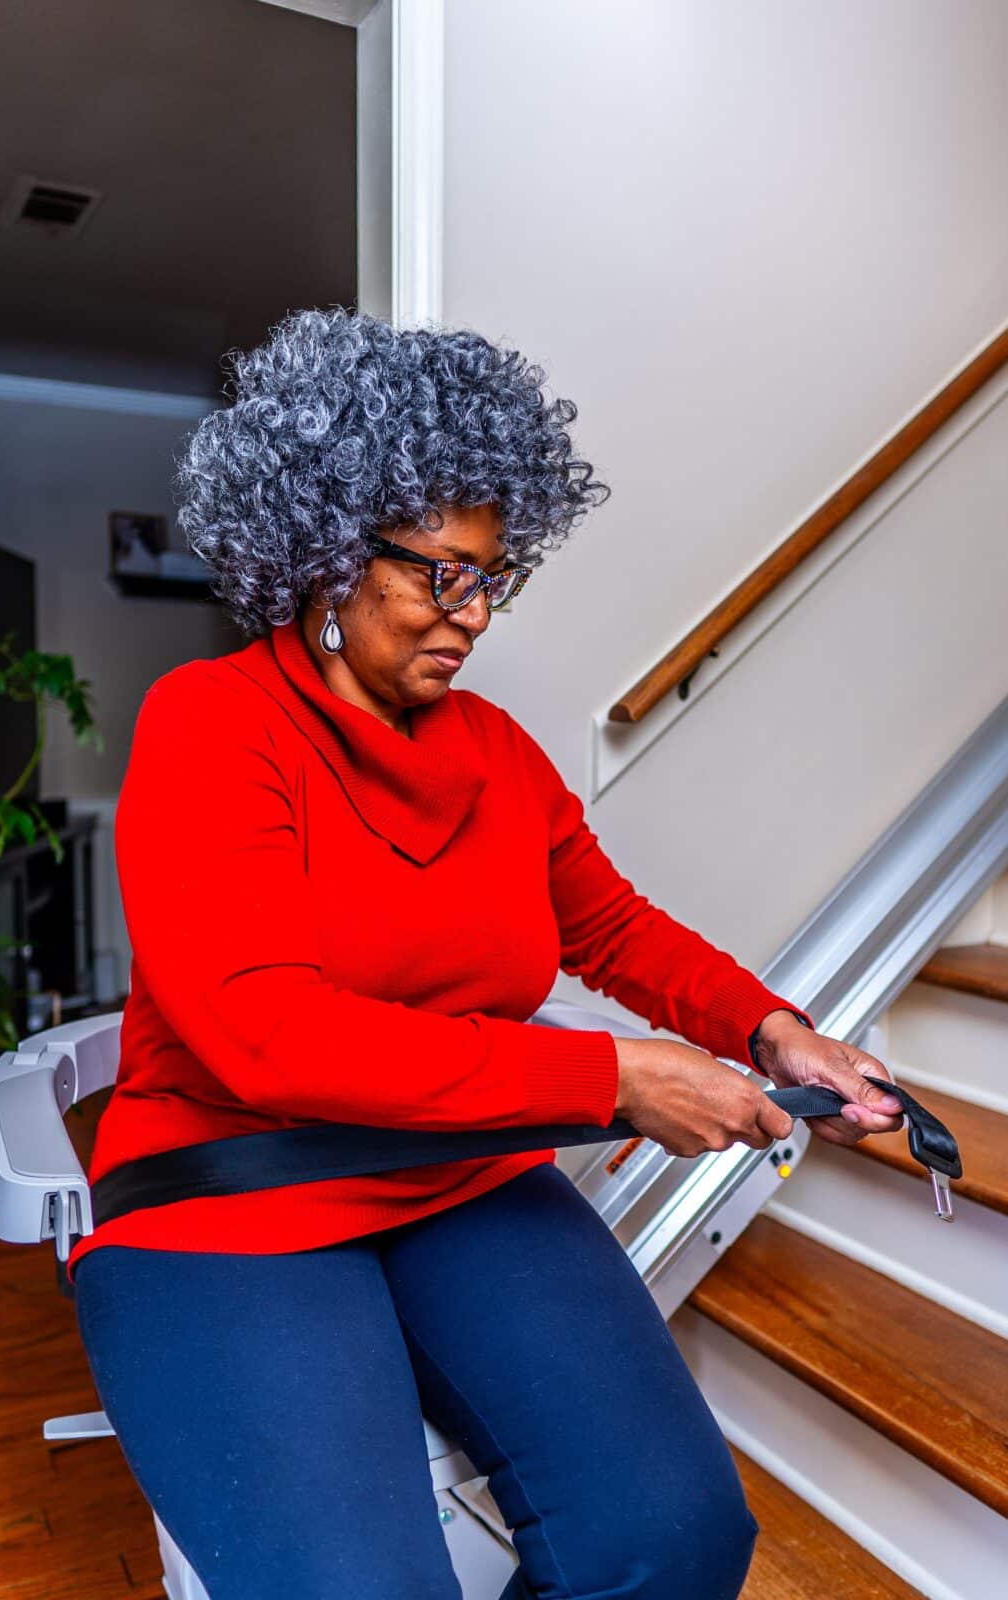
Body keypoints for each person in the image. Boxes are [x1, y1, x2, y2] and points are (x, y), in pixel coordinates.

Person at [69, 307, 904, 1600]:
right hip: (226, 1196)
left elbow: (611, 927)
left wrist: (772, 1031)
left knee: (673, 1537)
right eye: (440, 575)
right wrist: (612, 1082)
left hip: (458, 1176)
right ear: (329, 550)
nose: (472, 616)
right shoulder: (212, 725)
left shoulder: (497, 752)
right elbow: (268, 1037)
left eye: (492, 579)